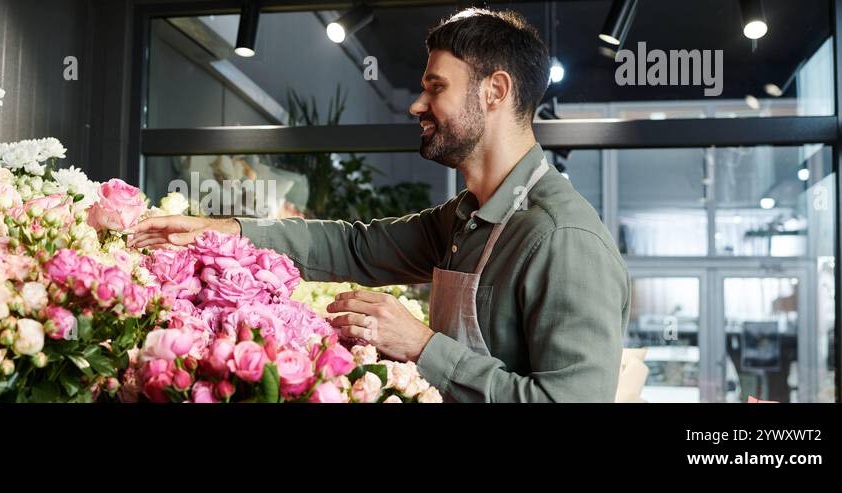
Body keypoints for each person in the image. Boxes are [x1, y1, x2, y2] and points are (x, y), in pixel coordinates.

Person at [130, 8, 630, 403]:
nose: (417, 104)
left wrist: (421, 345)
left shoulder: (562, 239)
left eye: (436, 87)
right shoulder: (465, 216)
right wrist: (223, 233)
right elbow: (356, 246)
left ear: (495, 91)